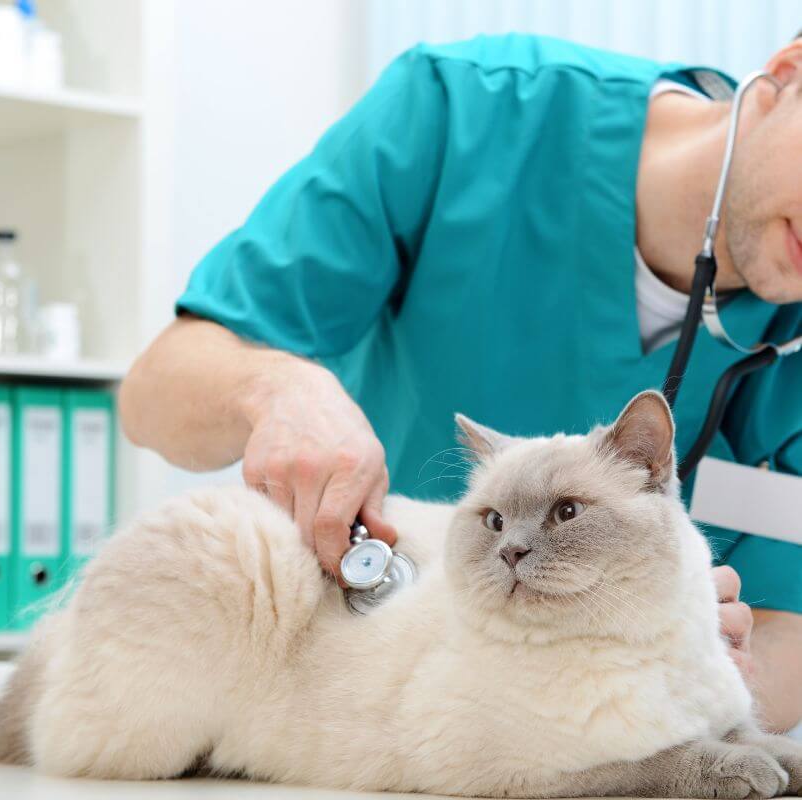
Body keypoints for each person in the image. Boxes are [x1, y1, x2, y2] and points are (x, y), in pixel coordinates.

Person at [120, 32, 802, 732]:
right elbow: (154, 393)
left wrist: (712, 677)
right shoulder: (464, 111)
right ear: (788, 72)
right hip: (358, 695)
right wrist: (276, 391)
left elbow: (788, 632)